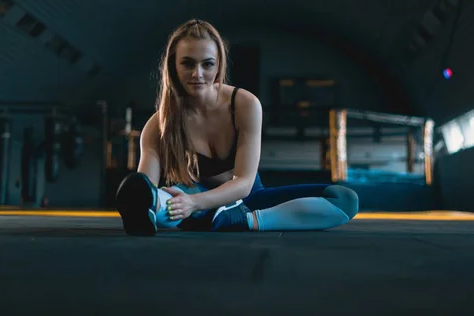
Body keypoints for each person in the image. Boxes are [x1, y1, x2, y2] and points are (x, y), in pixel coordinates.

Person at [115, 19, 359, 236]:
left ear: (219, 65)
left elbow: (243, 182)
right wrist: (171, 202)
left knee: (344, 199)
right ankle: (207, 217)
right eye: (187, 64)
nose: (197, 74)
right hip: (193, 199)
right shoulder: (158, 125)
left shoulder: (245, 105)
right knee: (165, 199)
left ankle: (245, 222)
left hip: (247, 199)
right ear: (173, 66)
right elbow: (143, 190)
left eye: (207, 64)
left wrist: (196, 204)